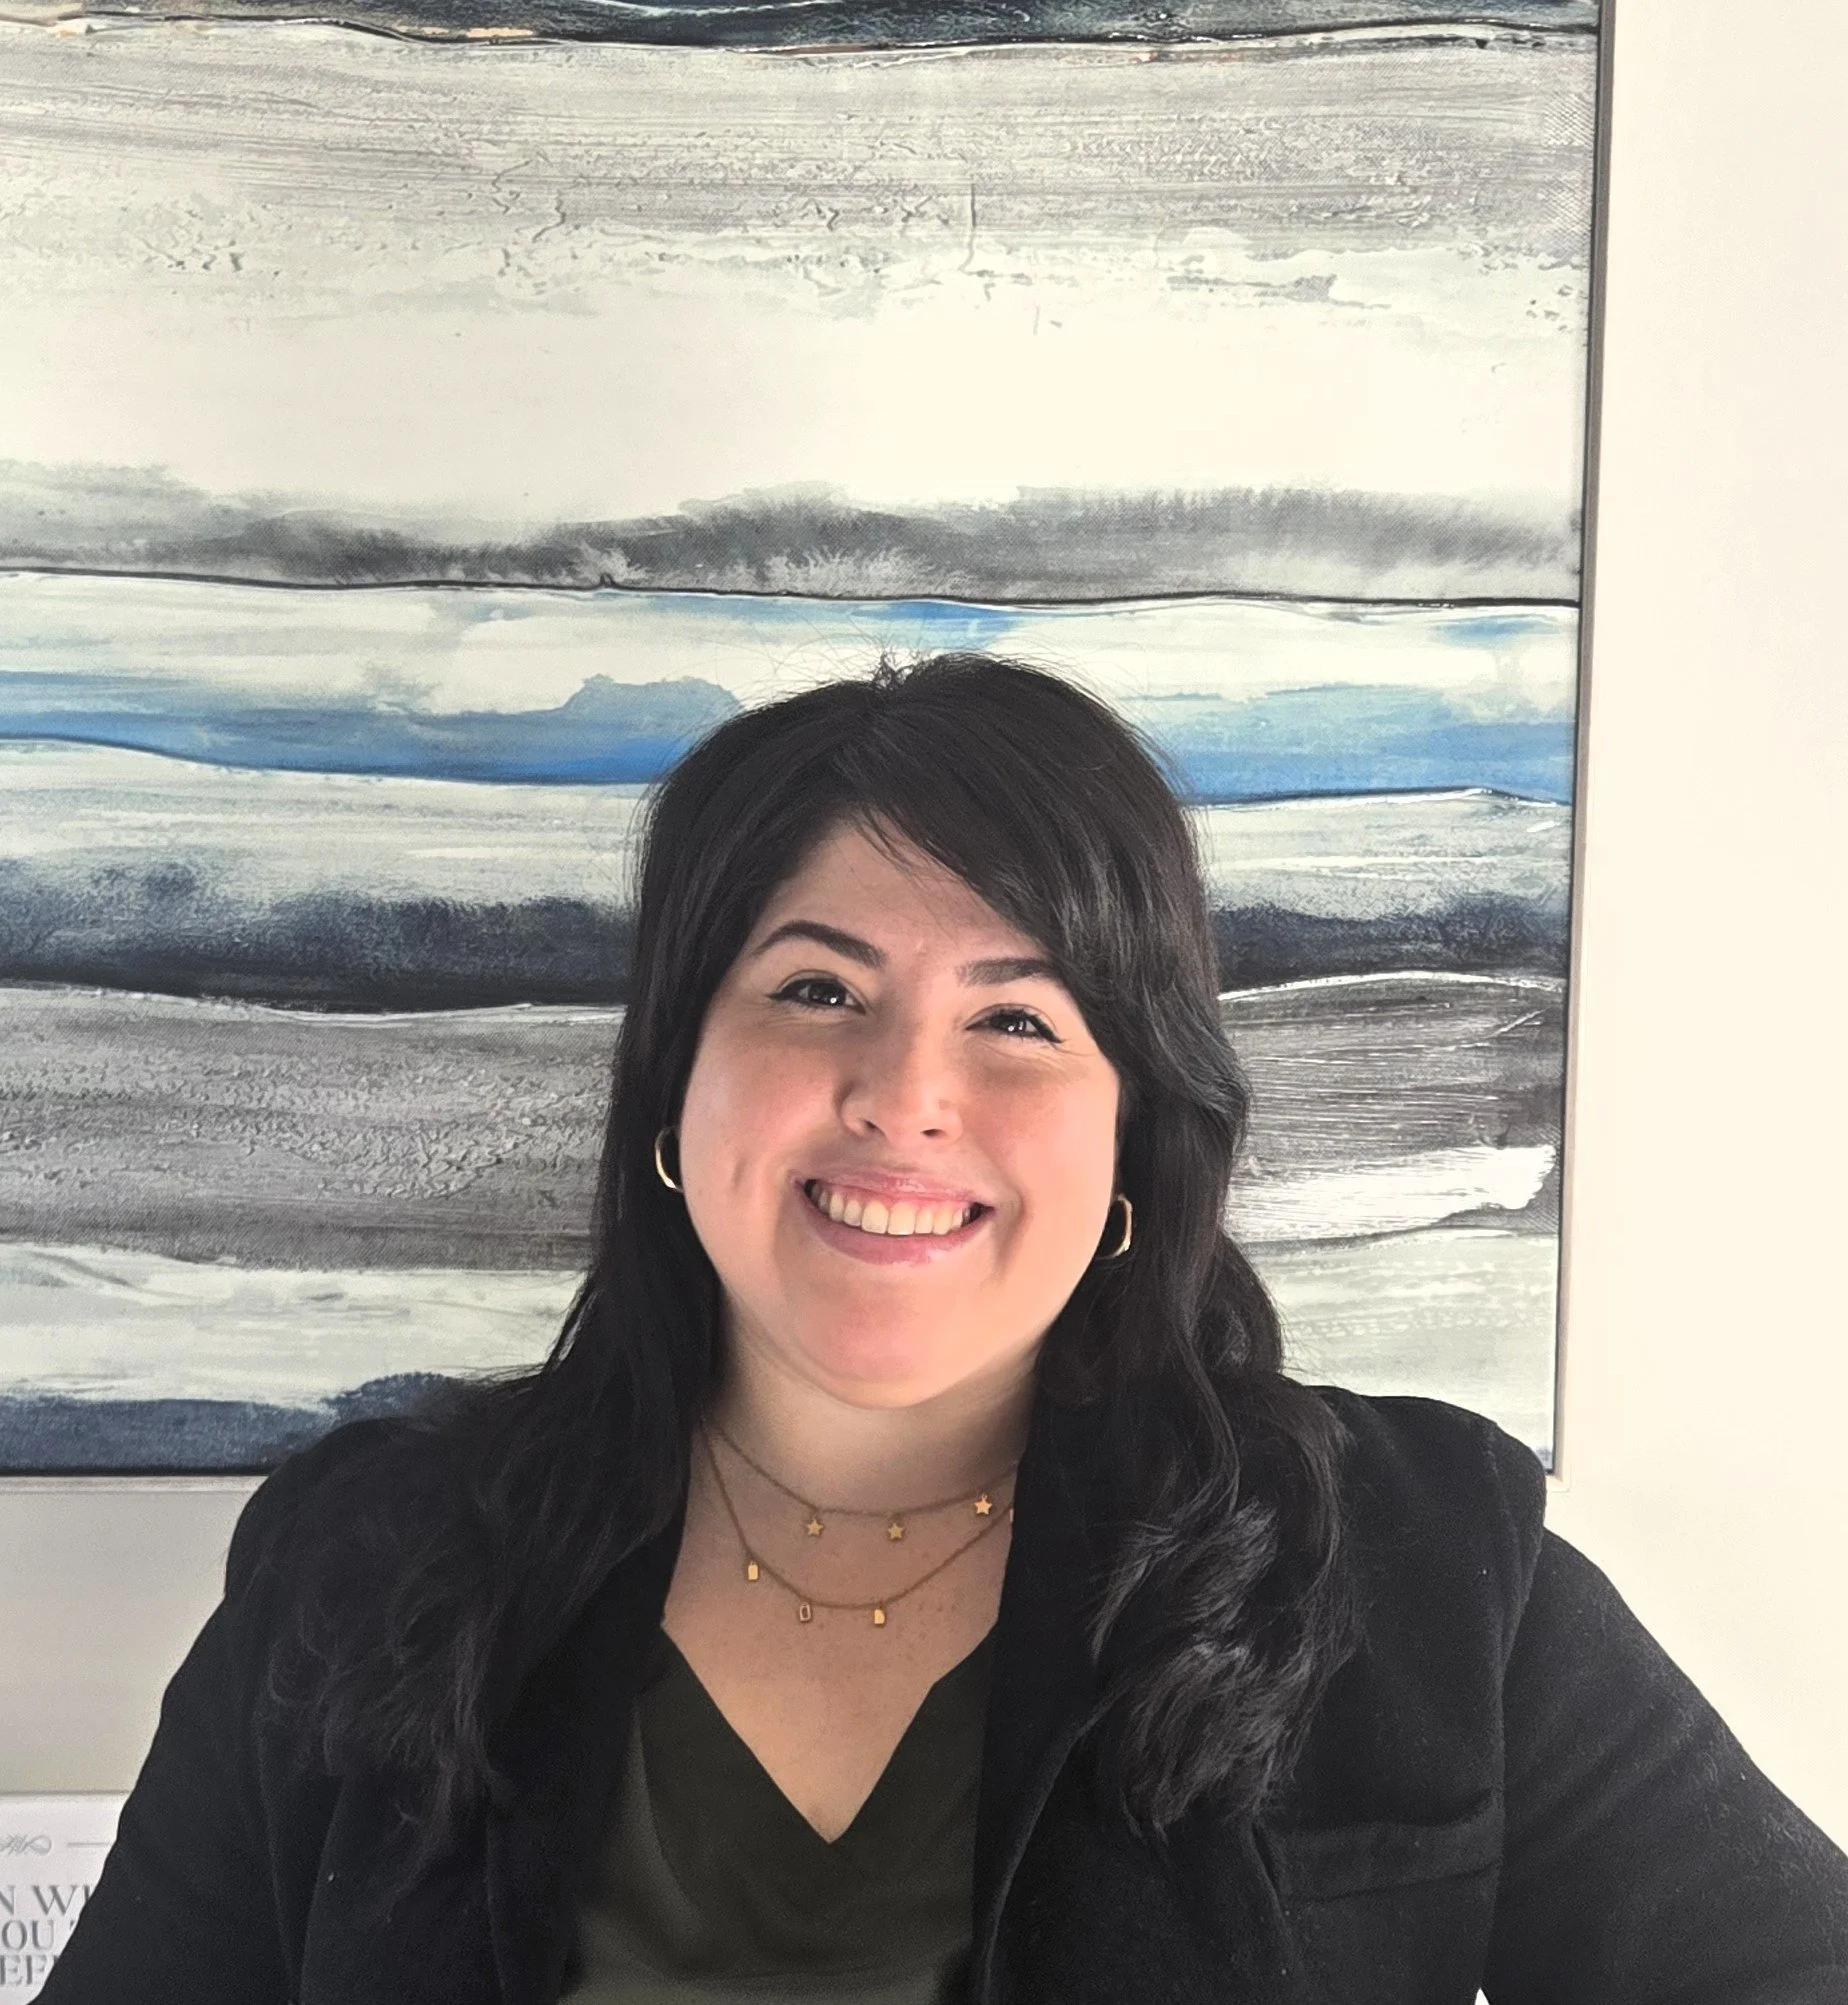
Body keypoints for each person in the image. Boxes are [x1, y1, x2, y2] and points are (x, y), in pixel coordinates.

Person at [41, 655, 1848, 2004]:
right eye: (817, 989)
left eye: (1020, 1020)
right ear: (676, 1086)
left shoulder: (1432, 1563)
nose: (904, 1097)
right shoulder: (362, 1563)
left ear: (1135, 1124)